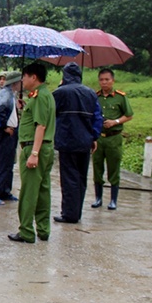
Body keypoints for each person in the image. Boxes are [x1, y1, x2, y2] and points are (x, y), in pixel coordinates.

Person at [8, 62, 55, 244]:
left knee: (29, 190)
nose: (23, 80)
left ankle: (26, 230)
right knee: (43, 190)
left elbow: (40, 126)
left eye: (25, 77)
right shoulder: (42, 96)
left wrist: (34, 153)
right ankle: (43, 229)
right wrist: (26, 106)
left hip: (35, 148)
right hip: (45, 148)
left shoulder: (40, 97)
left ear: (33, 77)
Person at [52, 62, 103, 223]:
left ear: (65, 75)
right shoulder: (91, 93)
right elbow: (98, 117)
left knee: (69, 178)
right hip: (85, 142)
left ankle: (69, 214)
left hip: (67, 141)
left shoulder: (60, 93)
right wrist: (94, 137)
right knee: (81, 178)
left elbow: (49, 114)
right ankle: (77, 212)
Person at [92, 68, 134, 210]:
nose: (104, 83)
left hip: (113, 137)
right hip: (98, 137)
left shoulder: (120, 97)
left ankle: (113, 200)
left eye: (107, 80)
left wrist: (115, 122)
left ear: (113, 81)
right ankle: (98, 198)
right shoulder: (95, 97)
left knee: (113, 167)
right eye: (101, 80)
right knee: (97, 167)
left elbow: (129, 115)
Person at [0, 71, 22, 205]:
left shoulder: (11, 95)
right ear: (15, 83)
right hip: (5, 134)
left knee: (8, 164)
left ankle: (5, 191)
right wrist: (4, 127)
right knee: (1, 164)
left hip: (11, 133)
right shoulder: (5, 94)